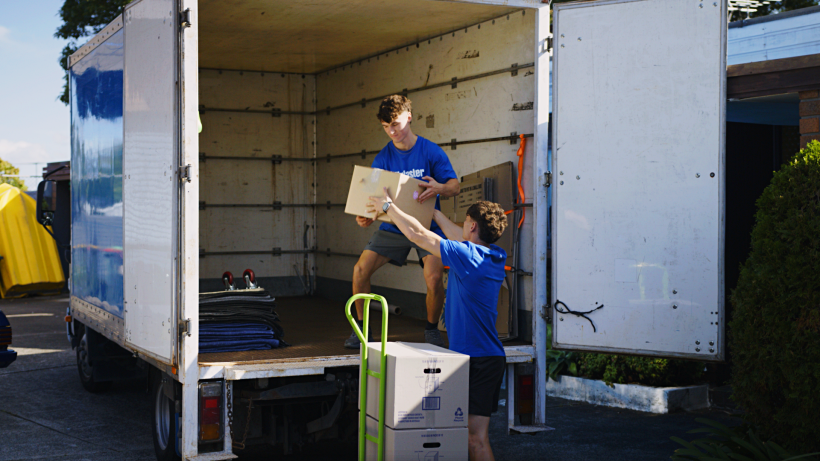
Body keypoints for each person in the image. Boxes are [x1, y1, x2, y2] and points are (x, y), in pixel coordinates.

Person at [367, 191, 508, 461]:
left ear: (472, 226)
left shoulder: (466, 256)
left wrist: (388, 206)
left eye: (465, 221)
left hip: (479, 361)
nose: (462, 226)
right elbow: (457, 234)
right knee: (470, 437)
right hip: (486, 357)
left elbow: (418, 235)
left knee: (475, 439)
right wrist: (431, 211)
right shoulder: (494, 254)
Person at [346, 95, 460, 349]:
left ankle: (431, 330)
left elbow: (455, 187)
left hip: (427, 226)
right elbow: (372, 199)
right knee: (360, 270)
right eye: (386, 127)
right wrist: (366, 217)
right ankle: (362, 330)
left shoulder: (430, 151)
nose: (392, 131)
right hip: (393, 226)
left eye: (395, 124)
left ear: (409, 117)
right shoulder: (382, 158)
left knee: (434, 278)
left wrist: (439, 187)